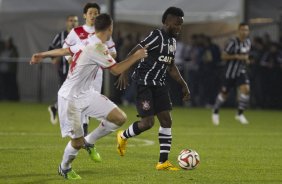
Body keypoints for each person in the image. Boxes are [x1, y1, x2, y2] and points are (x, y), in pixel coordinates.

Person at [30, 13, 148, 180]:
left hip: (86, 93)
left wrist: (42, 54)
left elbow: (66, 50)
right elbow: (115, 70)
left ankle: (90, 141)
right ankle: (64, 167)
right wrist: (136, 56)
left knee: (119, 118)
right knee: (76, 143)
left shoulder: (91, 41)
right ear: (110, 28)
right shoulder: (96, 48)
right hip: (70, 98)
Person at [115, 7, 190, 171]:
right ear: (167, 22)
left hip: (160, 85)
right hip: (144, 84)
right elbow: (134, 52)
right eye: (177, 24)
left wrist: (183, 84)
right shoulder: (156, 36)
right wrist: (124, 71)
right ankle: (123, 135)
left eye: (181, 25)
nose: (179, 28)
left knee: (166, 121)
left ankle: (163, 162)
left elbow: (170, 66)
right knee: (148, 123)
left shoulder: (172, 42)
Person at [63, 2, 117, 136]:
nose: (93, 16)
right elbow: (66, 49)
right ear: (84, 15)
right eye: (90, 13)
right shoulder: (77, 32)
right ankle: (81, 132)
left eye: (96, 13)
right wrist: (71, 61)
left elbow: (113, 52)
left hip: (97, 73)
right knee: (80, 101)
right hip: (80, 74)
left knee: (89, 102)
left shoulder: (102, 32)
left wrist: (104, 58)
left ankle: (83, 132)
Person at [212, 23, 251, 125]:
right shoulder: (232, 42)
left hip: (241, 71)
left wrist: (247, 60)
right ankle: (215, 111)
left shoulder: (248, 42)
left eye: (246, 30)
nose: (244, 32)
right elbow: (223, 56)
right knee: (224, 94)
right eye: (242, 30)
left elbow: (246, 56)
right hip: (230, 72)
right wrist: (236, 56)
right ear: (238, 31)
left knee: (246, 89)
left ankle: (240, 114)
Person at [48, 15, 79, 124]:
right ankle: (66, 117)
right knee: (66, 94)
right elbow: (51, 47)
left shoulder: (81, 36)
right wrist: (54, 58)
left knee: (74, 94)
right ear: (66, 22)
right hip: (64, 70)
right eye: (71, 21)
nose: (73, 23)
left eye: (75, 21)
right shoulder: (61, 36)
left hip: (78, 70)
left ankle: (55, 108)